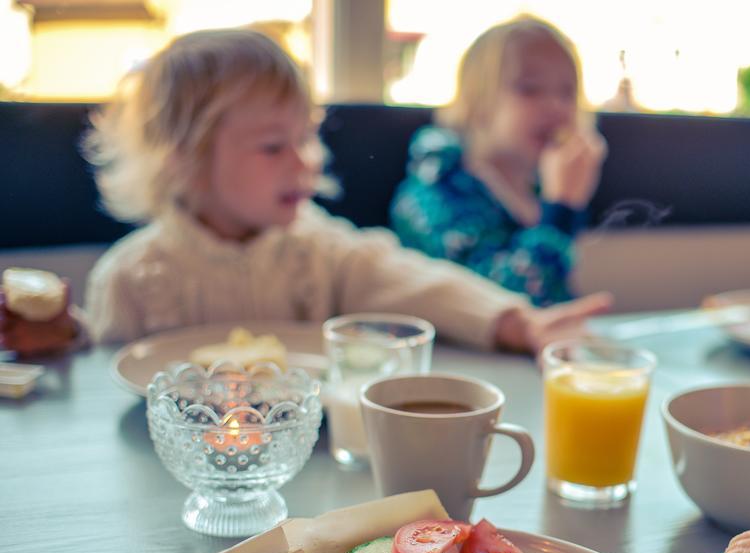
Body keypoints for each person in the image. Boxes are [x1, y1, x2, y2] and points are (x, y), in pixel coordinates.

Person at [83, 29, 610, 353]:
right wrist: (60, 339)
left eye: (306, 137)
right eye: (272, 146)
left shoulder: (318, 250)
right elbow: (91, 387)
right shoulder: (130, 280)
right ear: (185, 160)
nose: (304, 160)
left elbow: (415, 281)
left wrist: (514, 320)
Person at [389, 16, 606, 307]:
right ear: (479, 99)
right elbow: (492, 305)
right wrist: (561, 209)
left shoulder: (538, 187)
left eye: (567, 92)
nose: (556, 106)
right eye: (530, 88)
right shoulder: (437, 193)